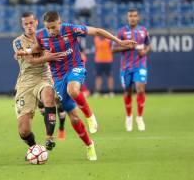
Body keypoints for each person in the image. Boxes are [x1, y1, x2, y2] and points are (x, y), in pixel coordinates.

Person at [16, 11, 136, 160]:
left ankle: (90, 115)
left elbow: (97, 31)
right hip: (58, 77)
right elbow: (38, 49)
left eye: (53, 27)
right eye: (48, 28)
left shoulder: (70, 29)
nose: (51, 31)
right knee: (74, 118)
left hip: (75, 67)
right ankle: (89, 145)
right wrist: (26, 51)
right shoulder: (41, 35)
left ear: (60, 23)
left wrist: (118, 41)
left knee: (73, 90)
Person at [12, 12, 63, 151]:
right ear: (22, 25)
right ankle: (34, 148)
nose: (29, 26)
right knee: (24, 130)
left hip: (44, 76)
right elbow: (30, 60)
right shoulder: (18, 42)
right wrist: (48, 57)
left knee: (48, 95)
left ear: (36, 23)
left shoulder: (46, 36)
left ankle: (49, 137)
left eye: (31, 23)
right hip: (26, 82)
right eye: (26, 24)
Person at [112, 9, 150, 132]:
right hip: (126, 67)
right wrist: (126, 46)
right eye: (130, 16)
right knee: (128, 92)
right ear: (127, 18)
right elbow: (113, 49)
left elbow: (148, 44)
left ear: (138, 18)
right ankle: (129, 116)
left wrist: (145, 51)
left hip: (140, 65)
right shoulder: (121, 31)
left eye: (135, 16)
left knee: (140, 89)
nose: (133, 18)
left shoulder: (143, 30)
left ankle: (139, 117)